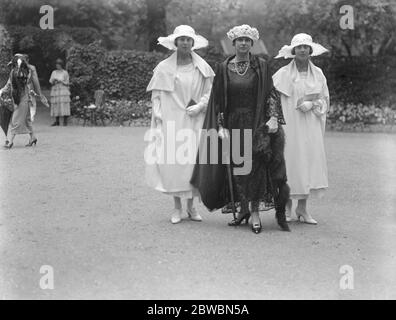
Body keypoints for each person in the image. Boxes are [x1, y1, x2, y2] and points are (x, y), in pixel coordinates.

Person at [190, 25, 290, 234]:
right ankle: (243, 210)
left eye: (247, 40)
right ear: (233, 43)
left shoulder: (261, 66)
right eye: (239, 40)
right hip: (233, 123)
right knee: (237, 168)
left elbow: (271, 93)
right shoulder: (223, 67)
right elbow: (218, 100)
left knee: (254, 168)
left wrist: (273, 117)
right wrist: (220, 126)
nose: (243, 43)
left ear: (251, 43)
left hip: (255, 123)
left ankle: (254, 213)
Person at [145, 25, 215, 224]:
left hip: (195, 120)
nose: (185, 42)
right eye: (181, 39)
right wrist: (160, 118)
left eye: (188, 39)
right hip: (172, 121)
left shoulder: (202, 67)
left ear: (193, 43)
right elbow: (156, 96)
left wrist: (201, 106)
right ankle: (177, 207)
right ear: (175, 42)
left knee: (193, 163)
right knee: (174, 164)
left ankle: (191, 207)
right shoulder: (163, 68)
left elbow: (210, 91)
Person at [273, 33, 330, 224]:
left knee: (308, 161)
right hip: (289, 124)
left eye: (306, 47)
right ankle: (288, 208)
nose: (303, 50)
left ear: (310, 50)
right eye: (299, 47)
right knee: (290, 161)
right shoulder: (282, 74)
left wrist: (313, 105)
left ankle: (303, 209)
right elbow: (272, 99)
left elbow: (324, 99)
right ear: (294, 51)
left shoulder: (319, 74)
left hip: (310, 125)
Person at [0, 53, 47, 149]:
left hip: (22, 100)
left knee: (15, 120)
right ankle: (33, 138)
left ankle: (11, 142)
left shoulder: (22, 73)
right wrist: (1, 91)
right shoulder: (20, 72)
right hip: (24, 99)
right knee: (27, 120)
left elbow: (11, 85)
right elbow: (9, 85)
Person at [49, 58, 71, 126]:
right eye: (57, 64)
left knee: (64, 104)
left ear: (61, 65)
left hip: (63, 89)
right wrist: (54, 81)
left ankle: (65, 120)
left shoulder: (65, 72)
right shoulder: (54, 72)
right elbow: (50, 80)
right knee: (56, 104)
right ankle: (57, 120)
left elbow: (67, 82)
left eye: (59, 65)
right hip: (56, 89)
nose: (57, 66)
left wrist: (61, 81)